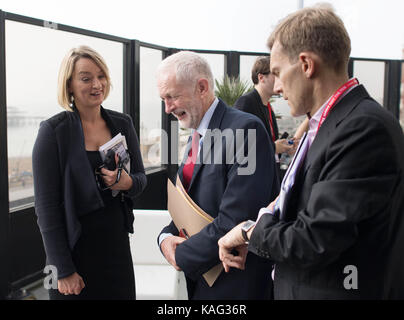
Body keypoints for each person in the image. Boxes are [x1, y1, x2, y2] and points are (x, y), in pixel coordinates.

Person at [218, 6, 404, 299]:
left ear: (306, 65)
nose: (277, 87)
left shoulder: (363, 129)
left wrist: (248, 231)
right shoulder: (329, 123)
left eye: (278, 73)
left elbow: (314, 240)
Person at [156, 51, 279, 299]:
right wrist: (165, 238)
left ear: (202, 87)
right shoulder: (197, 135)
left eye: (172, 97)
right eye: (163, 99)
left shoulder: (246, 130)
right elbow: (189, 207)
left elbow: (236, 219)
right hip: (205, 281)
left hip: (235, 284)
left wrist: (180, 255)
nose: (167, 108)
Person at [32, 46, 147, 300]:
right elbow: (46, 208)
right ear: (70, 85)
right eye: (86, 78)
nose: (97, 84)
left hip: (116, 250)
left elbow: (141, 179)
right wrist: (63, 270)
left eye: (101, 76)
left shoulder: (122, 123)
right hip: (74, 254)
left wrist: (127, 183)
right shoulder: (53, 132)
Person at [234, 56, 307, 181]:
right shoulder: (246, 103)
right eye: (275, 75)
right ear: (261, 78)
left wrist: (284, 147)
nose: (280, 81)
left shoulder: (267, 106)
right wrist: (273, 147)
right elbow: (238, 147)